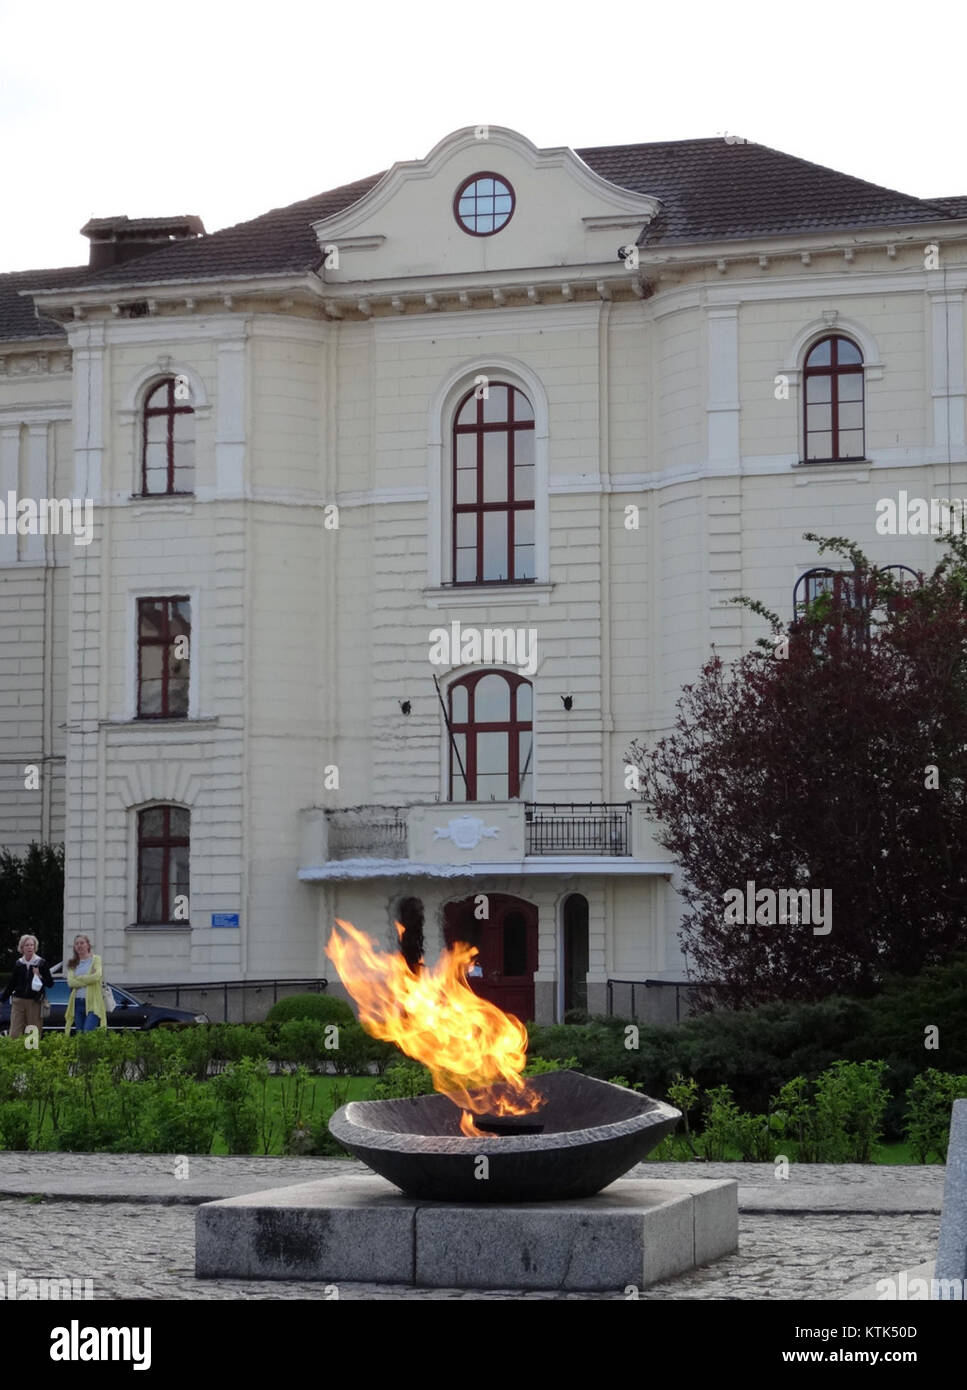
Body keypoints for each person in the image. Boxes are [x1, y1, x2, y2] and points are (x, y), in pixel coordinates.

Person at [1, 935, 54, 1039]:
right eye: (27, 945)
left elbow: (50, 983)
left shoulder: (41, 963)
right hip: (18, 1001)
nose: (30, 947)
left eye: (32, 945)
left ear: (35, 947)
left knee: (32, 1033)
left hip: (34, 1002)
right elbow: (12, 984)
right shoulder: (18, 963)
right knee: (14, 1032)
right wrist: (2, 1000)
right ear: (22, 948)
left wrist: (40, 976)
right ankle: (15, 1054)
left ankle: (31, 1054)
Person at [64, 934, 107, 1033]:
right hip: (77, 1003)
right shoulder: (72, 963)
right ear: (74, 947)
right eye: (77, 943)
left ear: (88, 945)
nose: (79, 945)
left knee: (88, 1033)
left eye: (82, 943)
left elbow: (96, 977)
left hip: (93, 1002)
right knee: (79, 1034)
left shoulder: (96, 959)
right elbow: (71, 982)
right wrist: (88, 979)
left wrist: (78, 978)